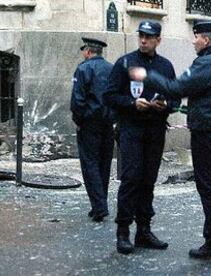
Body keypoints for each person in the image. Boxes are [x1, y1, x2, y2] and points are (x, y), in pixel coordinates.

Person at [129, 19, 211, 259]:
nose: (193, 41)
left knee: (209, 187)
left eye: (196, 36)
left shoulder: (204, 65)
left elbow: (175, 88)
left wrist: (146, 76)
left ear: (206, 40)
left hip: (207, 133)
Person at [104, 20, 180, 254]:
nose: (144, 40)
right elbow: (109, 95)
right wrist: (132, 103)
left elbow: (175, 98)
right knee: (131, 180)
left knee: (148, 181)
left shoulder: (165, 66)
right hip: (131, 129)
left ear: (158, 39)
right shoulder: (125, 63)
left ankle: (144, 230)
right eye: (141, 36)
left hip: (155, 129)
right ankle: (123, 231)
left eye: (149, 37)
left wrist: (164, 105)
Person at [70, 37, 114, 222]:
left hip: (90, 123)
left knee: (90, 164)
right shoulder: (112, 69)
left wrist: (78, 120)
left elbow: (77, 100)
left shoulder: (83, 69)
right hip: (108, 123)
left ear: (88, 51)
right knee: (104, 163)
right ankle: (100, 202)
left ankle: (99, 206)